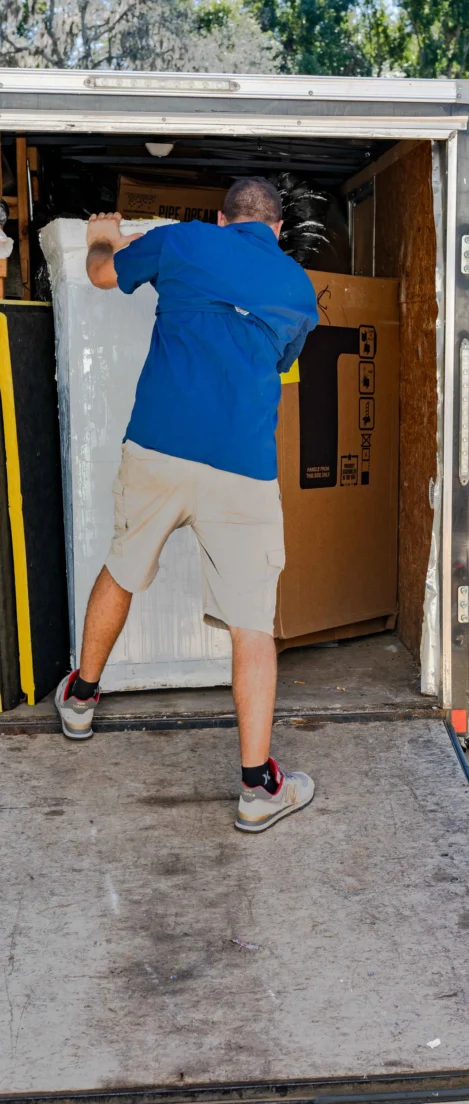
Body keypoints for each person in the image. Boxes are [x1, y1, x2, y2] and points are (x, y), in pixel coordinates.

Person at [53, 177, 319, 834]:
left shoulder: (183, 241)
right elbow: (283, 360)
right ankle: (258, 787)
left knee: (123, 566)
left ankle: (81, 699)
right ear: (277, 229)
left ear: (221, 219)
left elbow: (102, 276)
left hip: (159, 449)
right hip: (244, 469)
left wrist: (103, 238)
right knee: (253, 622)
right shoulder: (298, 289)